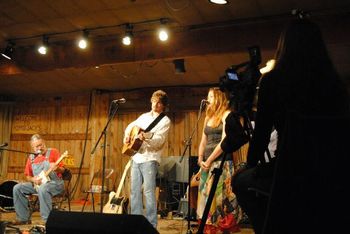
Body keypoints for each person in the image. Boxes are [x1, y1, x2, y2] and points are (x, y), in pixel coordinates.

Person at [232, 18, 349, 234]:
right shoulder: (335, 84)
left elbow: (262, 134)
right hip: (333, 172)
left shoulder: (273, 81)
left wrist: (250, 164)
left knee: (240, 181)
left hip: (289, 170)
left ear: (284, 45)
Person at [123, 90, 170, 228]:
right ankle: (135, 222)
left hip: (150, 158)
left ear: (163, 105)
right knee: (134, 190)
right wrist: (127, 136)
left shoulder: (165, 121)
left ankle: (151, 225)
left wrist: (147, 137)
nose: (155, 104)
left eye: (159, 102)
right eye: (154, 101)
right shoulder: (143, 116)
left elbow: (159, 140)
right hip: (136, 157)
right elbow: (130, 127)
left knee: (149, 192)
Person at [196, 87, 241, 233]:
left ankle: (221, 227)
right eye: (207, 96)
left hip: (221, 162)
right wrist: (200, 158)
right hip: (207, 164)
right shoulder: (208, 117)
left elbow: (224, 141)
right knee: (206, 198)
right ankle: (209, 227)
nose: (208, 99)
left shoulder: (226, 114)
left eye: (211, 96)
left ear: (219, 98)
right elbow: (203, 140)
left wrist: (209, 160)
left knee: (220, 199)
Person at [12, 134, 65, 224]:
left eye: (41, 145)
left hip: (55, 184)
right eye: (37, 146)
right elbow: (27, 176)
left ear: (44, 143)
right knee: (17, 188)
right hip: (39, 184)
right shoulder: (31, 157)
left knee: (43, 188)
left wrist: (57, 168)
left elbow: (63, 170)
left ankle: (47, 221)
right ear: (33, 148)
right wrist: (33, 179)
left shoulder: (53, 152)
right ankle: (23, 218)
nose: (40, 147)